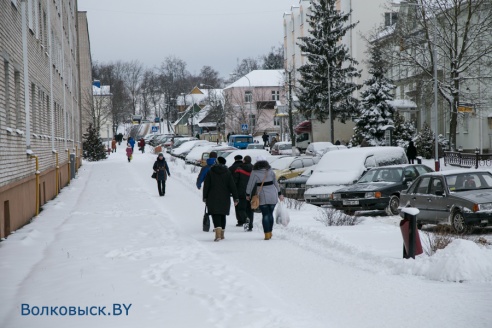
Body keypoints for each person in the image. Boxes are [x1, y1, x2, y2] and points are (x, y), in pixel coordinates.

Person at [246, 156, 284, 240]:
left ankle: (267, 234)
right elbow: (276, 183)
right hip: (273, 195)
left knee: (265, 214)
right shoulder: (270, 171)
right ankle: (270, 232)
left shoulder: (255, 172)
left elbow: (250, 184)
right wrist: (279, 193)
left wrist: (247, 194)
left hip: (262, 195)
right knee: (270, 214)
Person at [203, 156, 239, 242]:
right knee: (222, 214)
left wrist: (205, 196)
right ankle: (222, 234)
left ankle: (218, 234)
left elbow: (206, 185)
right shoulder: (227, 172)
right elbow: (232, 186)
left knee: (215, 214)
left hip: (212, 196)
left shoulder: (211, 171)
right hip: (225, 197)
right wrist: (236, 198)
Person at [234, 155, 254, 231]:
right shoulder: (254, 169)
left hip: (241, 192)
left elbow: (235, 181)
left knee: (241, 209)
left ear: (244, 161)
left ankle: (245, 218)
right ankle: (250, 226)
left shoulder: (239, 169)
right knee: (250, 210)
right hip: (251, 192)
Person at [229, 155, 246, 227]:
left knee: (237, 205)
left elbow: (229, 180)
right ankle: (246, 218)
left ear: (235, 159)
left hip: (236, 189)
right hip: (247, 188)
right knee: (245, 205)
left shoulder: (231, 168)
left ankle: (240, 220)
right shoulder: (245, 167)